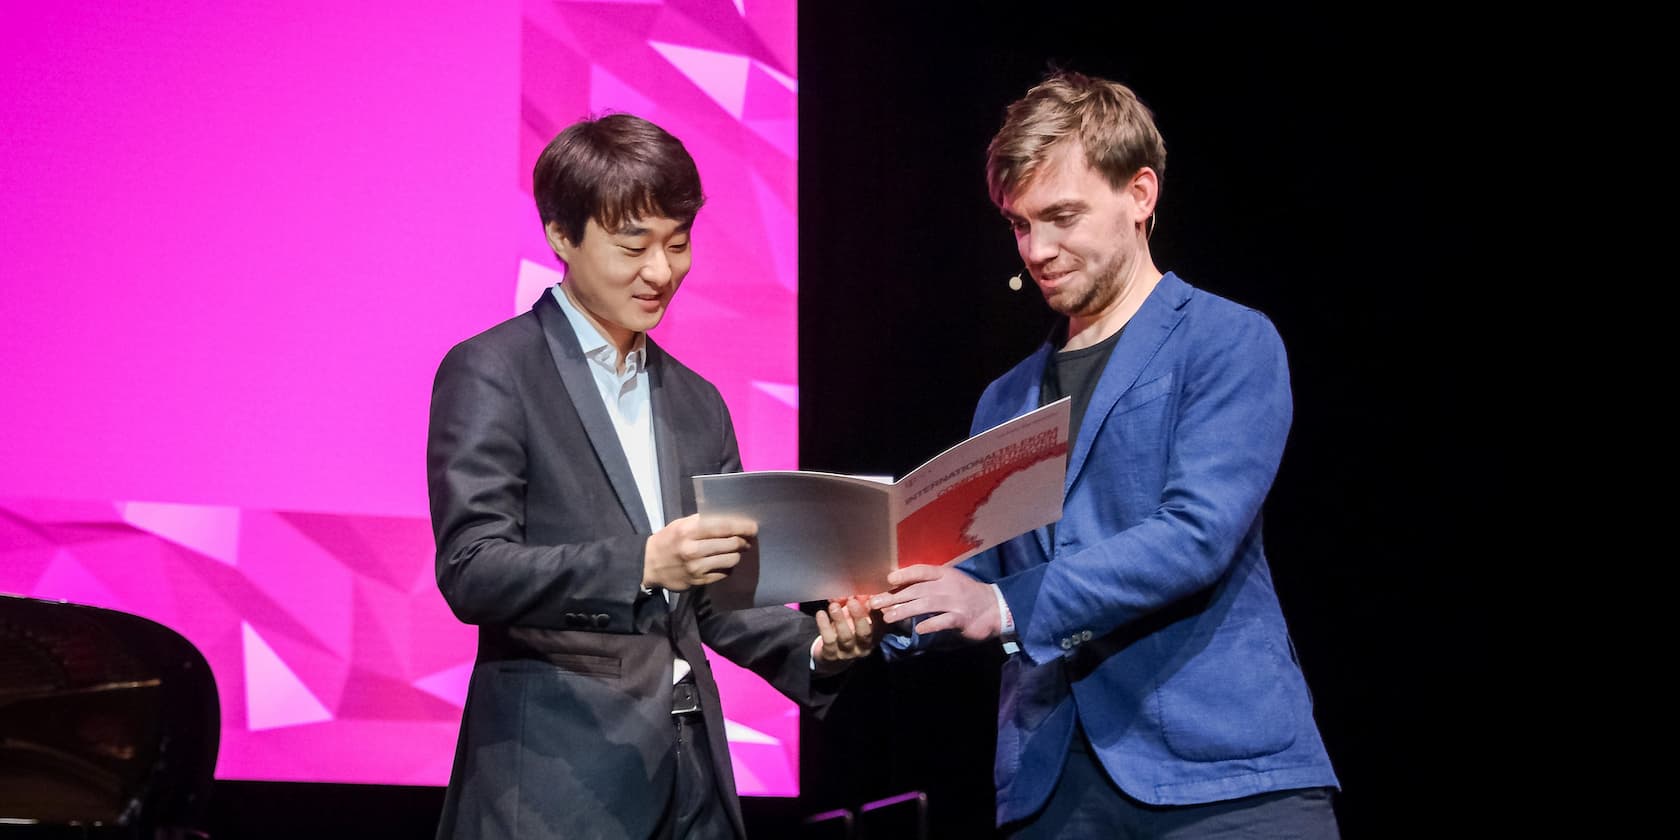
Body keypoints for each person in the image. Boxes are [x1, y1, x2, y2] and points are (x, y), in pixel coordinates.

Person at [868, 72, 1342, 837]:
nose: (1039, 250)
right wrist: (891, 608)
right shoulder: (1007, 398)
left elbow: (1194, 535)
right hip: (1054, 789)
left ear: (1141, 194)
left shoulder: (1225, 341)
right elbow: (978, 577)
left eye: (1061, 217)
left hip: (1219, 780)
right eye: (1021, 225)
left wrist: (1001, 606)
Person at [427, 112, 877, 840]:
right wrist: (641, 563)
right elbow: (472, 569)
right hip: (553, 785)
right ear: (561, 237)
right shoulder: (494, 371)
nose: (661, 271)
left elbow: (718, 600)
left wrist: (819, 649)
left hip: (690, 778)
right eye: (633, 244)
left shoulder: (696, 401)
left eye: (678, 243)